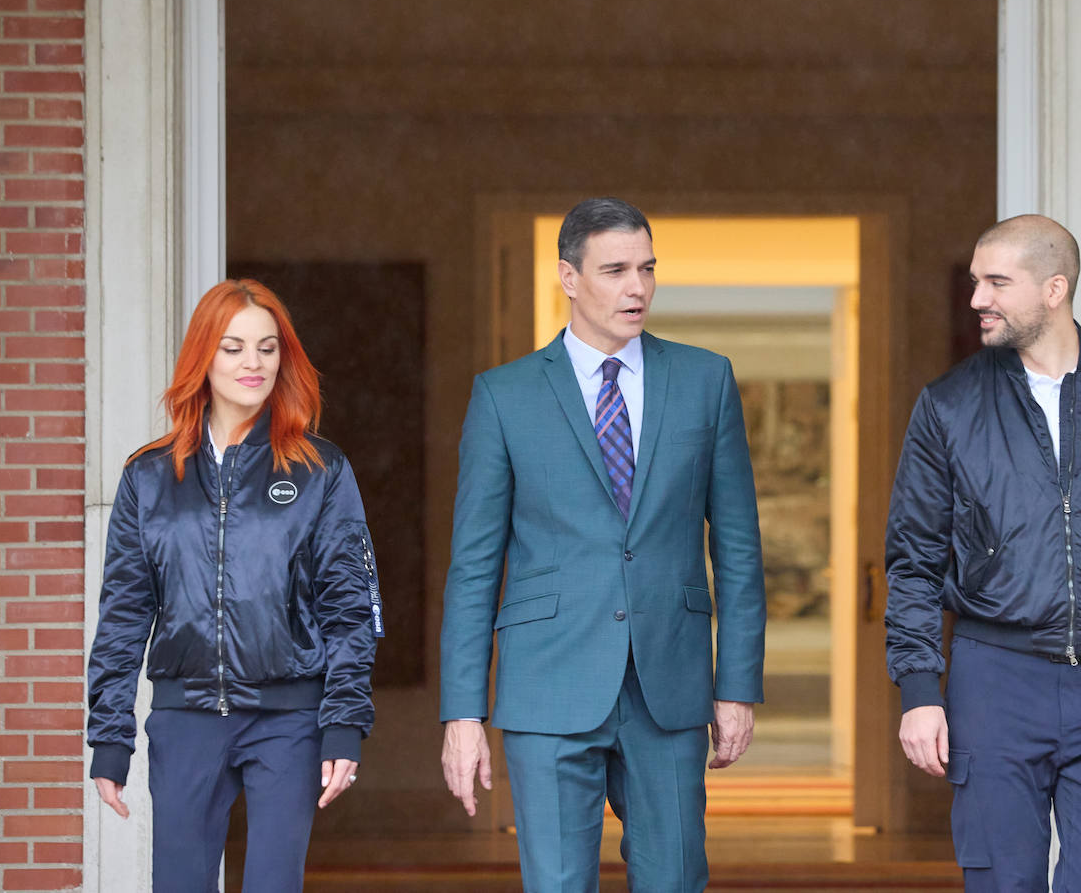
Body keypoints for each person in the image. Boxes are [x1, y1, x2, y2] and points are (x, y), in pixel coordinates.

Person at [439, 197, 766, 892]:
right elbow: (473, 568)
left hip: (670, 688)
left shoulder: (705, 381)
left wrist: (736, 685)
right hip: (547, 685)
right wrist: (463, 712)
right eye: (615, 270)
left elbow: (738, 548)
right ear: (568, 276)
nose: (637, 287)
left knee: (675, 879)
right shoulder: (504, 395)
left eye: (647, 268)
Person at [884, 215, 1081, 892]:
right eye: (977, 282)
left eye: (997, 282)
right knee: (1003, 882)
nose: (978, 299)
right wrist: (920, 689)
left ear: (1054, 289)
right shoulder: (949, 406)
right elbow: (913, 559)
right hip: (994, 681)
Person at [86, 279, 383, 893]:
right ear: (203, 357)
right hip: (185, 718)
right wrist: (110, 737)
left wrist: (343, 723)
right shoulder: (149, 476)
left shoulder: (320, 470)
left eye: (268, 348)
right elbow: (123, 615)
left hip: (288, 721)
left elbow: (350, 608)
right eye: (234, 347)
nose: (254, 363)